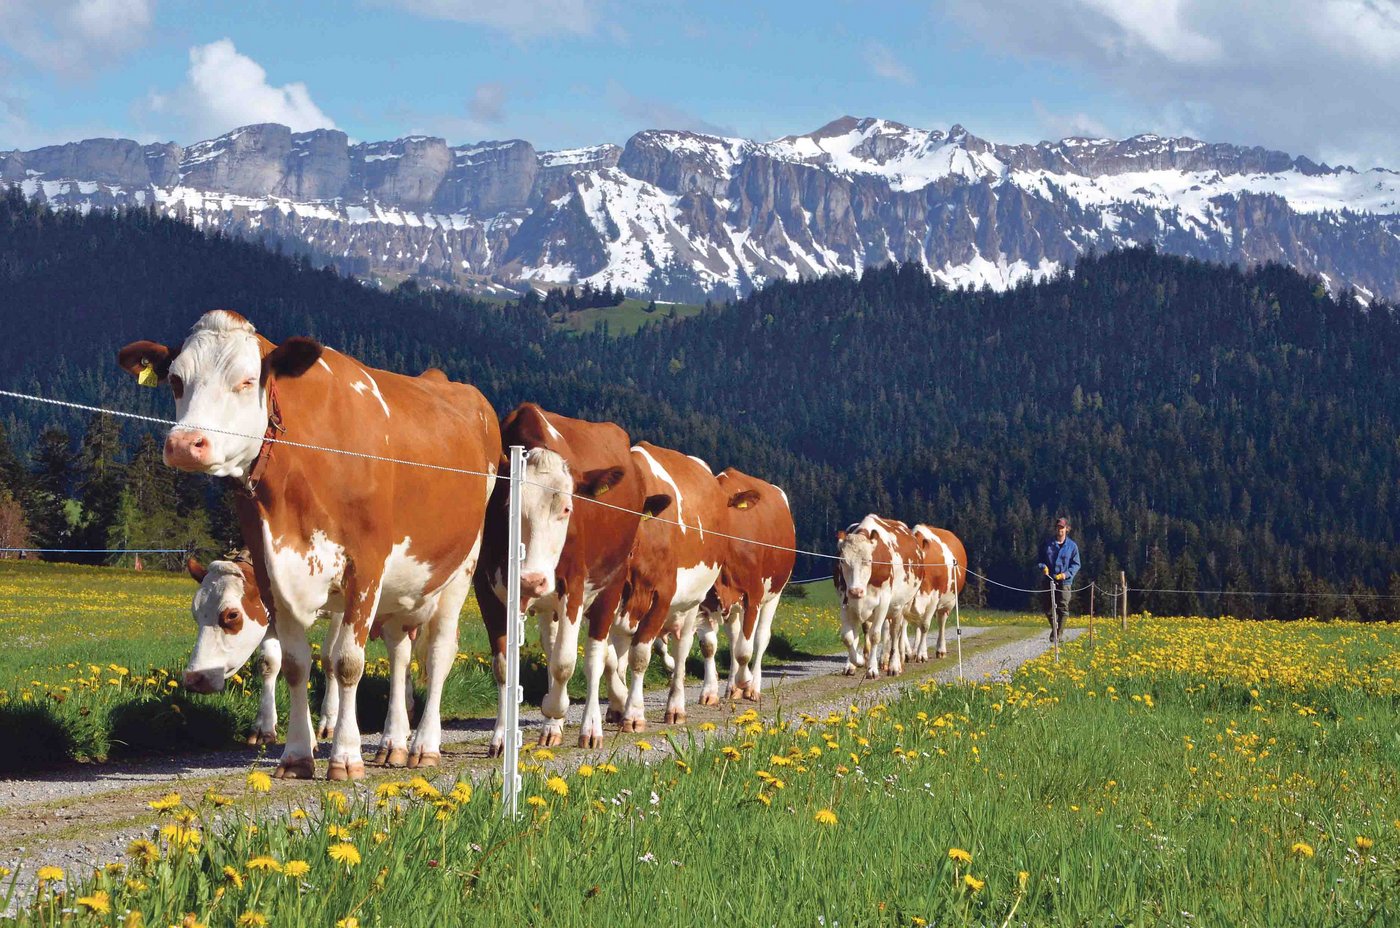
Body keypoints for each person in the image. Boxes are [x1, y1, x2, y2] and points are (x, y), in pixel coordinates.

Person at [1037, 517, 1080, 642]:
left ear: (1067, 529)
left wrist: (1066, 574)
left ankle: (1058, 634)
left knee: (1062, 607)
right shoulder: (1047, 543)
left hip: (1065, 582)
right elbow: (1039, 559)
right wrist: (1043, 567)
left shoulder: (1072, 546)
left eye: (1062, 527)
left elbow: (1076, 564)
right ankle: (1055, 630)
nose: (1059, 530)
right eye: (1058, 527)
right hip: (1048, 580)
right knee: (1047, 607)